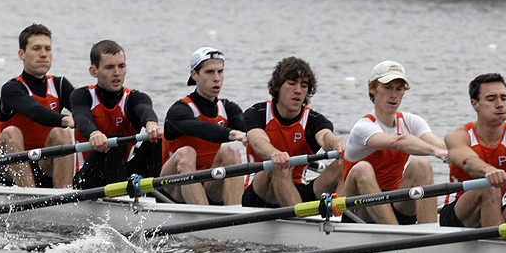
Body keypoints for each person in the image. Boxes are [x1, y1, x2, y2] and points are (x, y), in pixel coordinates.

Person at [343, 60, 448, 224]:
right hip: (359, 211)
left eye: (399, 89)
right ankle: (396, 234)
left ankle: (431, 233)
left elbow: (440, 145)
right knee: (362, 169)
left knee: (422, 165)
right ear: (372, 88)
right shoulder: (363, 127)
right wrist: (435, 152)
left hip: (396, 204)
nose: (393, 94)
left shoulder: (411, 121)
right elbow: (399, 142)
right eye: (387, 87)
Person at [440, 73, 506, 228]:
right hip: (458, 214)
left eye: (503, 98)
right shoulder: (457, 137)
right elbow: (467, 161)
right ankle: (499, 245)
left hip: (494, 208)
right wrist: (488, 170)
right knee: (488, 186)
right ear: (474, 103)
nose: (500, 104)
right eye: (491, 99)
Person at [242, 57, 345, 208]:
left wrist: (337, 144)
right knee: (278, 166)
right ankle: (301, 225)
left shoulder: (314, 119)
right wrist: (274, 154)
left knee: (346, 162)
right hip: (260, 191)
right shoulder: (257, 113)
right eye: (291, 84)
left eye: (304, 86)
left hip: (298, 189)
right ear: (277, 86)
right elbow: (258, 141)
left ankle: (338, 219)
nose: (298, 90)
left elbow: (324, 136)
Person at [0, 23, 75, 188]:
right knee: (11, 132)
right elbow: (34, 111)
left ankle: (64, 196)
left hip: (43, 165)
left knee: (61, 133)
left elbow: (85, 110)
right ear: (22, 54)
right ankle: (30, 194)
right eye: (36, 49)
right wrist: (66, 119)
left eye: (47, 49)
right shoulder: (12, 88)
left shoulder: (60, 85)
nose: (43, 54)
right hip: (6, 167)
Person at [70, 40, 163, 189]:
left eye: (121, 66)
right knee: (115, 141)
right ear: (94, 71)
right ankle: (121, 195)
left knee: (156, 139)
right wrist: (94, 133)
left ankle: (152, 194)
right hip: (88, 178)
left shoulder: (135, 98)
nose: (117, 73)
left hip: (121, 172)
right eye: (109, 67)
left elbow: (144, 109)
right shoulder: (82, 95)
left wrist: (151, 124)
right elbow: (81, 119)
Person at [161, 47, 246, 205]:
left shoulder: (228, 108)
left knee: (231, 151)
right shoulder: (179, 110)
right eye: (209, 72)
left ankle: (236, 214)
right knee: (186, 153)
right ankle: (206, 218)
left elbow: (252, 130)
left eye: (220, 72)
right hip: (173, 188)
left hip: (209, 184)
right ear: (194, 74)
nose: (217, 78)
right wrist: (233, 134)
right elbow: (202, 129)